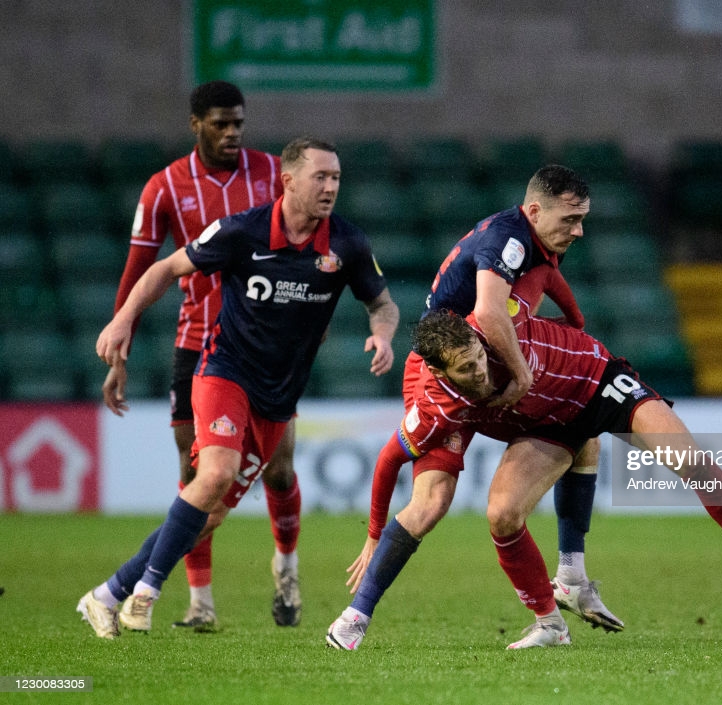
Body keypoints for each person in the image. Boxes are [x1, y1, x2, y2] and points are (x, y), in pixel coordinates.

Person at [327, 299, 722, 651]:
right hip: (551, 425)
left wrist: (573, 314)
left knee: (690, 461)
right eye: (467, 369)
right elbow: (389, 458)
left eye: (477, 355)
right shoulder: (438, 406)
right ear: (440, 371)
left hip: (597, 382)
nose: (481, 370)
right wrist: (372, 535)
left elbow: (538, 273)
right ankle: (551, 624)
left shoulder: (495, 318)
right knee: (502, 514)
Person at [77, 137, 399, 639]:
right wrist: (123, 320)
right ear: (288, 181)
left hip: (278, 399)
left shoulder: (347, 244)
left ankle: (108, 593)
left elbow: (382, 303)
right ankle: (147, 594)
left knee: (208, 517)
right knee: (215, 472)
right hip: (224, 372)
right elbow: (165, 267)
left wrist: (382, 335)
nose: (331, 186)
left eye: (336, 177)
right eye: (321, 177)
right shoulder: (241, 231)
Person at [361, 165, 620, 636]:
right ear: (537, 211)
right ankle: (356, 615)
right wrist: (522, 372)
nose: (579, 230)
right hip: (446, 372)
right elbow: (485, 312)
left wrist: (570, 326)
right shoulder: (509, 242)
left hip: (489, 363)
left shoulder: (543, 243)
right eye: (571, 219)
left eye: (582, 220)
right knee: (432, 502)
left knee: (581, 426)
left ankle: (570, 579)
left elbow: (551, 287)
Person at [103, 81, 301, 630]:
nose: (232, 132)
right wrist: (121, 345)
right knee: (197, 474)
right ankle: (200, 603)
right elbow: (140, 269)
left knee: (280, 469)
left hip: (265, 347)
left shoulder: (271, 175)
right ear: (196, 124)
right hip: (198, 345)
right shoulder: (163, 188)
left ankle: (286, 566)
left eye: (238, 122)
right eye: (221, 123)